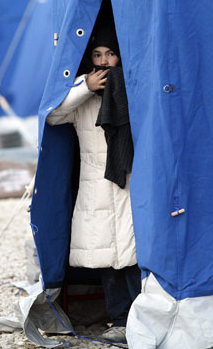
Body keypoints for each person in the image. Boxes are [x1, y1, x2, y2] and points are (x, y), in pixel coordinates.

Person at [46, 24, 140, 343]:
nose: (103, 61)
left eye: (110, 54)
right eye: (97, 54)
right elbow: (53, 115)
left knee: (133, 254)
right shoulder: (82, 92)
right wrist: (85, 86)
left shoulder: (133, 87)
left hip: (129, 180)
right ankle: (119, 319)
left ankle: (143, 317)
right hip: (94, 183)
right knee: (104, 256)